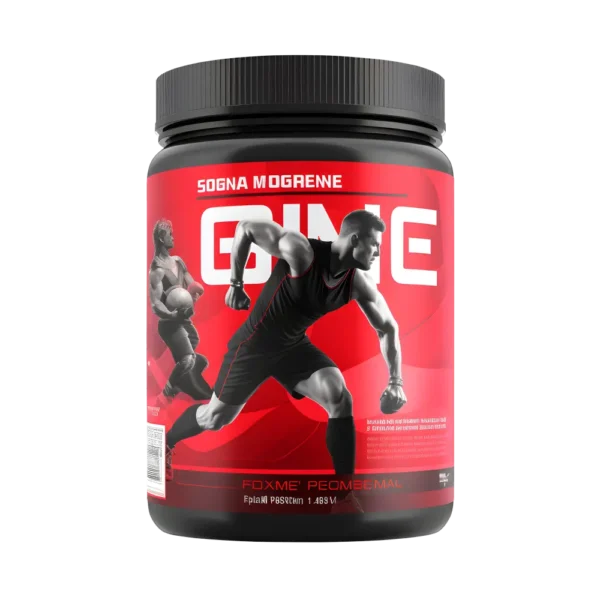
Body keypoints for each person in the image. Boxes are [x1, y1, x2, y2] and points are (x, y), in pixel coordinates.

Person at [164, 210, 407, 513]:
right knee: (215, 418)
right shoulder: (302, 252)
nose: (379, 252)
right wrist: (236, 284)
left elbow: (388, 328)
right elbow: (246, 227)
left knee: (339, 396)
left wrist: (396, 381)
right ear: (355, 239)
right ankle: (167, 441)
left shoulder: (358, 283)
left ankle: (343, 498)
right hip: (254, 345)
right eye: (375, 245)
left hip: (292, 346)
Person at [149, 219, 212, 402]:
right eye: (170, 234)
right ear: (162, 238)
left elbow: (190, 284)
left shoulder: (178, 261)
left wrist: (195, 292)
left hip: (183, 318)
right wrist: (171, 314)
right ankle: (166, 394)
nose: (173, 237)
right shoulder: (157, 270)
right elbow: (155, 304)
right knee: (187, 360)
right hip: (169, 322)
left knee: (194, 342)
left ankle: (184, 375)